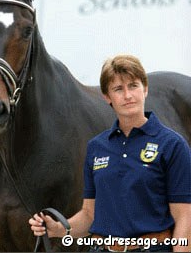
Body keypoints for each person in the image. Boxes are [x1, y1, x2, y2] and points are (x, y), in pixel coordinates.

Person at [29, 54, 191, 252]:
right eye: (118, 89)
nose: (128, 95)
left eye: (133, 86)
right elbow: (89, 215)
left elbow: (184, 217)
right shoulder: (96, 147)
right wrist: (60, 229)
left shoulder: (172, 145)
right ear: (107, 97)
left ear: (145, 89)